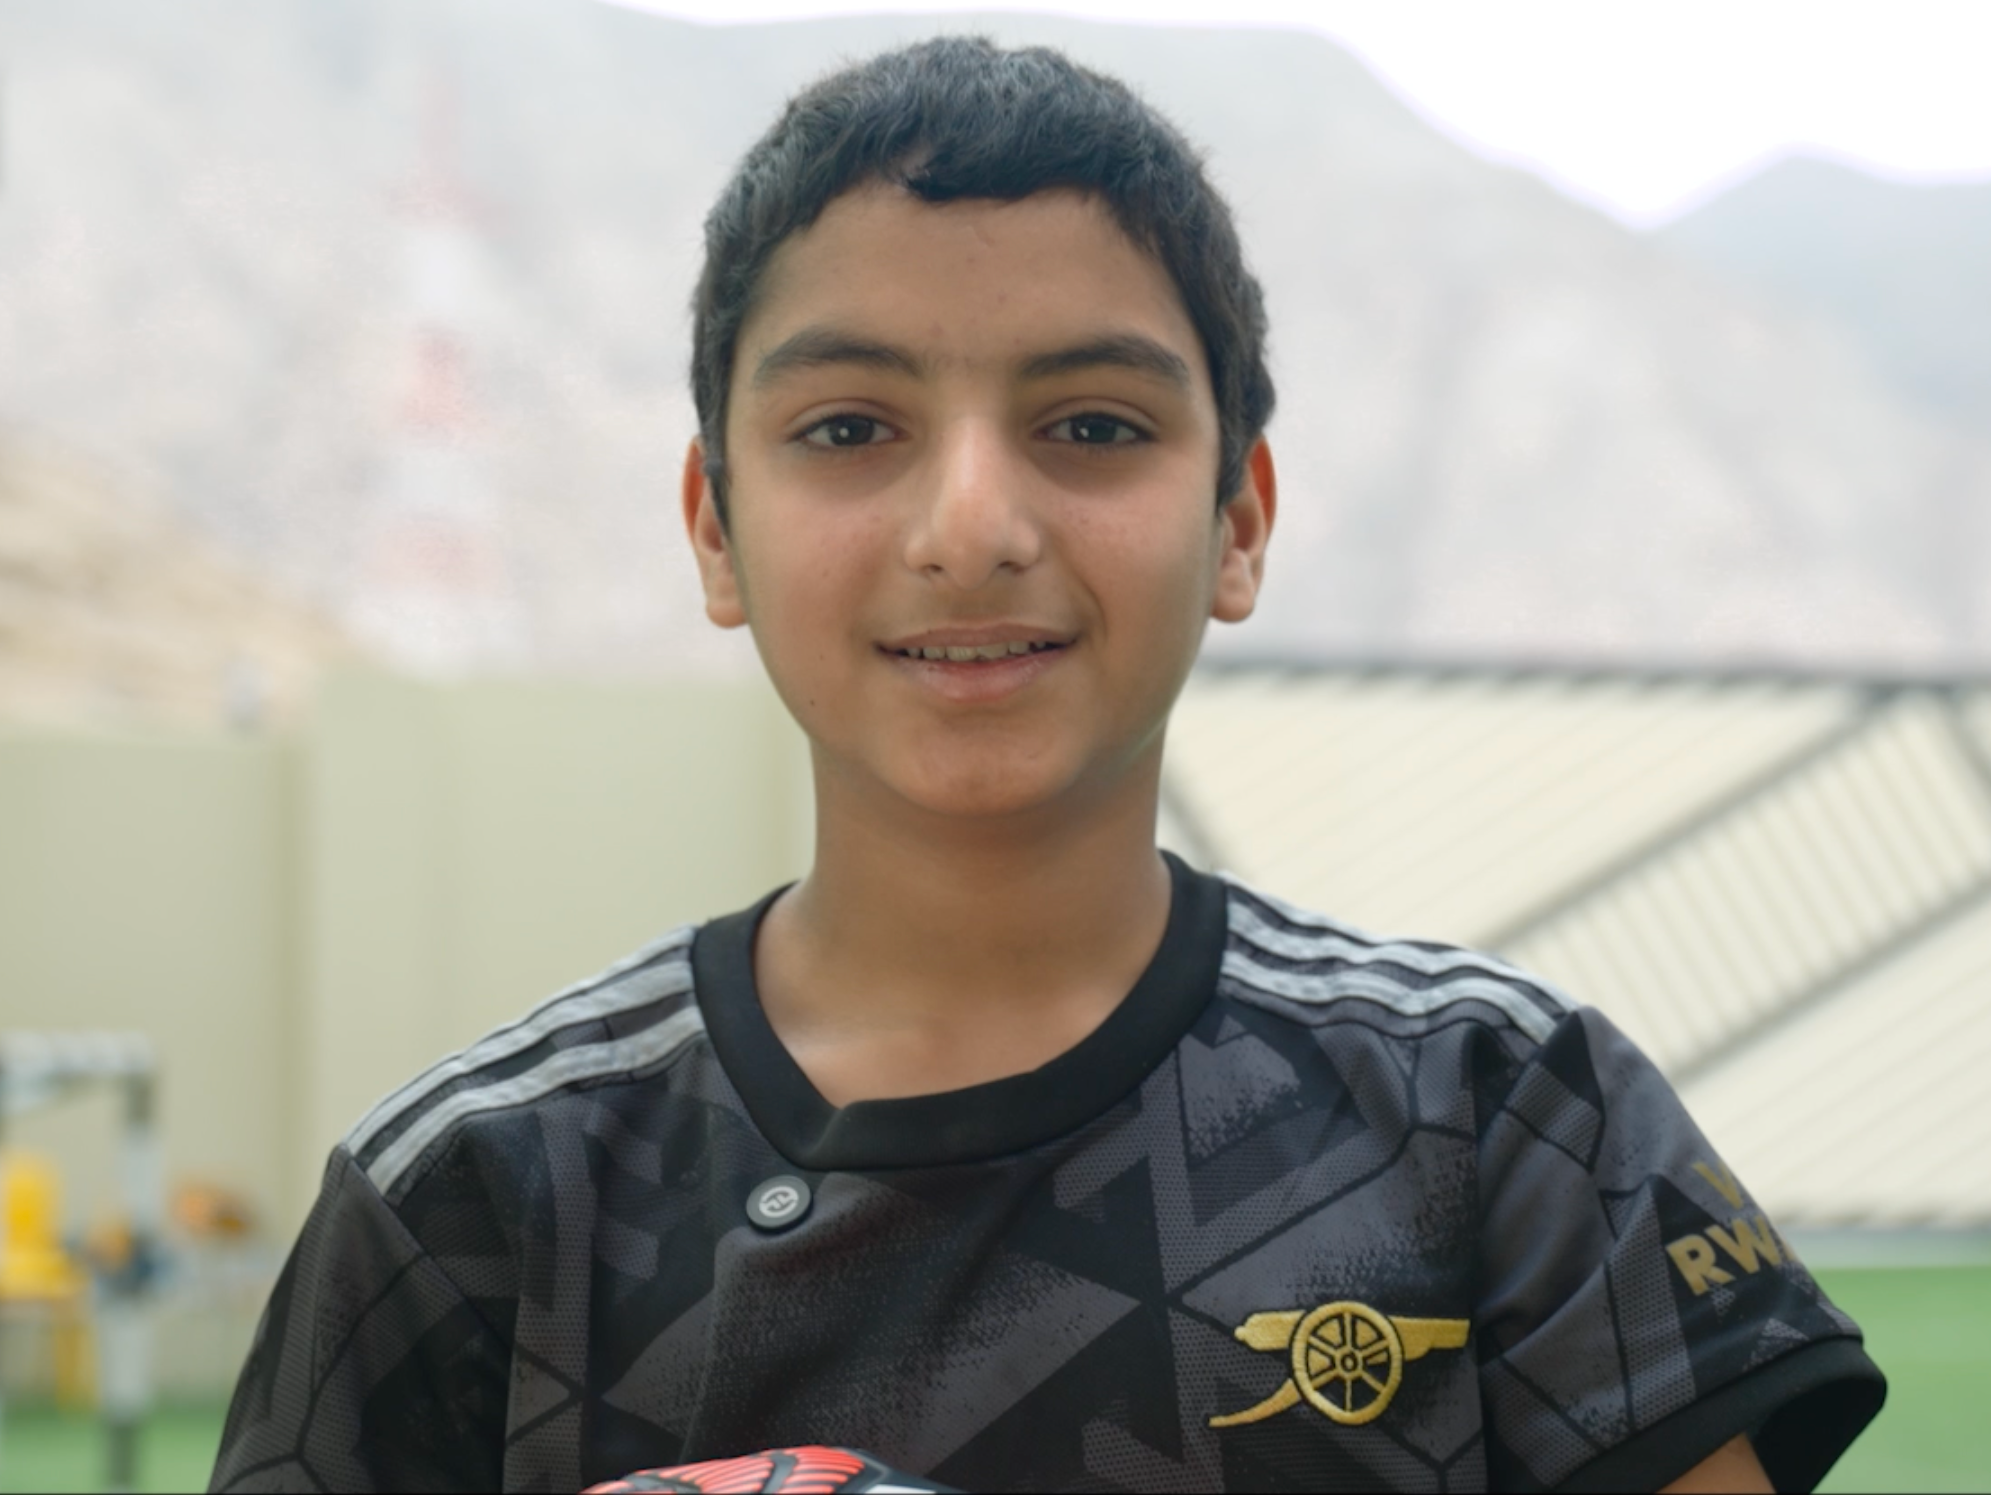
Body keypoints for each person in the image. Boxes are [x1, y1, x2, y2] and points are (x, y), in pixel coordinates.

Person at [209, 36, 1883, 1494]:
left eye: (1091, 426)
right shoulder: (473, 1195)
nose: (972, 526)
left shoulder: (1503, 1112)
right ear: (715, 526)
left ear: (1238, 520)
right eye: (849, 427)